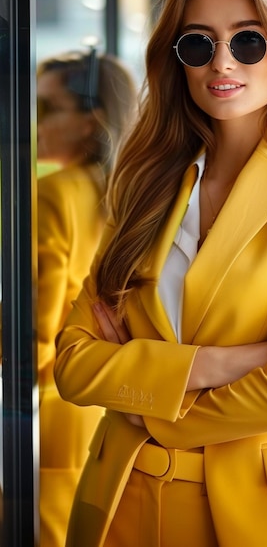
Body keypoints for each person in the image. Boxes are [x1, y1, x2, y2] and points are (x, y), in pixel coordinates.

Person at [54, 0, 267, 547]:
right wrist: (220, 363)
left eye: (248, 41)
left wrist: (144, 398)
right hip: (116, 502)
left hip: (245, 515)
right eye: (198, 44)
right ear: (178, 61)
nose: (221, 61)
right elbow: (73, 362)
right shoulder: (147, 182)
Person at [37, 48, 137, 547]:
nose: (33, 122)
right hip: (105, 406)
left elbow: (36, 333)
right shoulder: (126, 192)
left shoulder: (53, 194)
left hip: (50, 408)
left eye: (48, 108)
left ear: (88, 121)